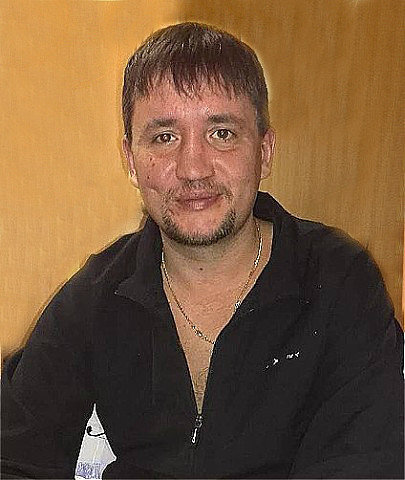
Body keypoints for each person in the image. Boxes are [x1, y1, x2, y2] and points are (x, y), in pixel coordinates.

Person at [1, 22, 403, 479]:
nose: (193, 169)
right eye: (165, 137)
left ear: (265, 151)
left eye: (222, 133)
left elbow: (366, 464)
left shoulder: (339, 281)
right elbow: (14, 456)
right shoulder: (96, 296)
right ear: (131, 160)